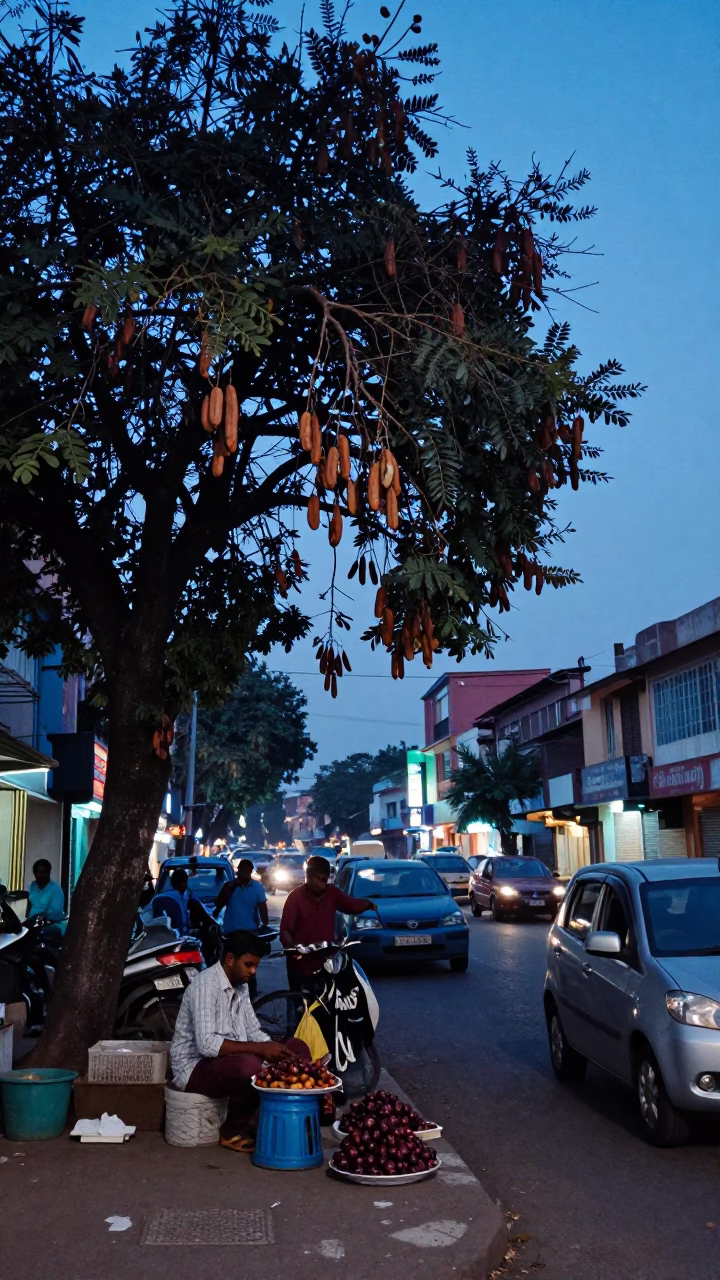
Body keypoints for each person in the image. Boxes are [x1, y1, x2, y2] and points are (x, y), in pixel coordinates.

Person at [170, 929, 309, 1149]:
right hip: (194, 1068)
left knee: (296, 1047)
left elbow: (253, 1030)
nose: (253, 971)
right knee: (249, 1065)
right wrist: (261, 1049)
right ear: (230, 959)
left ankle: (282, 1118)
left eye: (256, 965)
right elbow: (207, 1045)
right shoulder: (206, 986)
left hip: (229, 1057)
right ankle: (232, 1130)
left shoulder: (241, 985)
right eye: (249, 965)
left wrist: (274, 1048)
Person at [280, 854, 376, 991]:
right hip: (301, 964)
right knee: (300, 1004)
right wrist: (291, 948)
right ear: (308, 877)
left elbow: (350, 905)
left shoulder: (332, 893)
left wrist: (367, 904)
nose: (320, 885)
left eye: (324, 880)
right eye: (316, 879)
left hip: (326, 962)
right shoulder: (295, 897)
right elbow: (285, 929)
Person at [214, 859, 269, 998]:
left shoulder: (257, 887)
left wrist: (265, 925)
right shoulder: (229, 886)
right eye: (241, 871)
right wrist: (231, 887)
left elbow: (262, 907)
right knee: (229, 964)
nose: (243, 874)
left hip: (249, 933)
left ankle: (251, 992)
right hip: (231, 933)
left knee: (248, 964)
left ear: (250, 872)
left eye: (246, 871)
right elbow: (218, 905)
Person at [27, 859, 66, 934]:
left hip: (51, 925)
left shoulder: (55, 888)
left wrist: (38, 918)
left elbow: (56, 913)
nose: (41, 875)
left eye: (44, 872)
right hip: (31, 924)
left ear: (49, 873)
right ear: (34, 873)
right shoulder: (33, 886)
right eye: (39, 872)